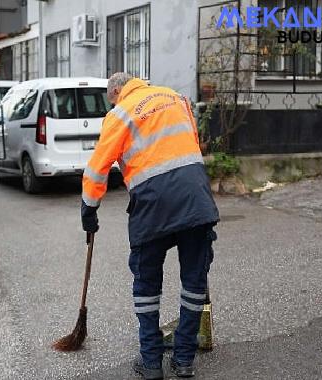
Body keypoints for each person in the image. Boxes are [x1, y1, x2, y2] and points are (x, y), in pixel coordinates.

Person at [81, 73, 219, 379]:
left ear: (117, 91)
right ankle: (183, 360)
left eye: (111, 98)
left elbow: (98, 165)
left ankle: (152, 362)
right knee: (194, 279)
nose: (112, 103)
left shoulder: (120, 113)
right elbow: (190, 144)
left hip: (152, 203)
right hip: (195, 196)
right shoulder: (176, 98)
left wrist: (89, 209)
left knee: (146, 282)